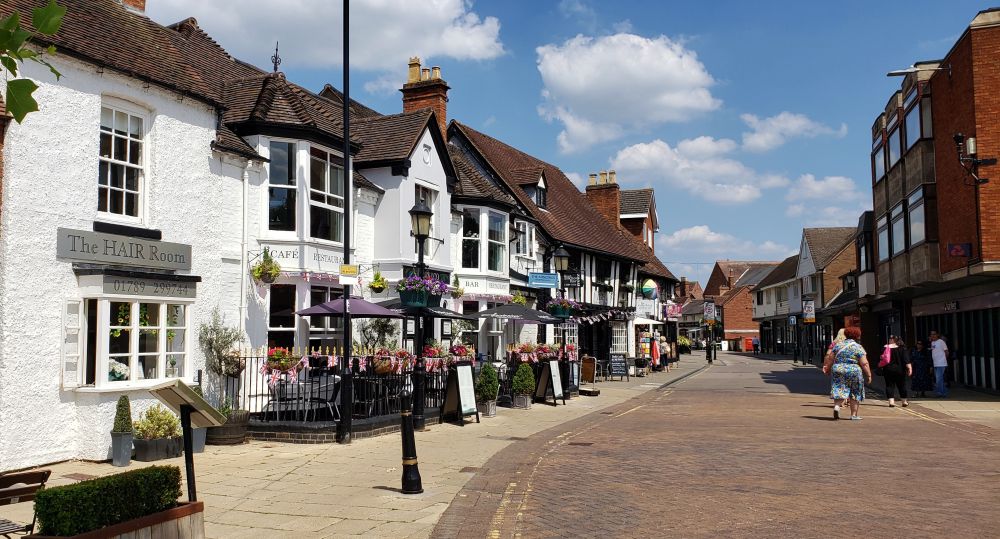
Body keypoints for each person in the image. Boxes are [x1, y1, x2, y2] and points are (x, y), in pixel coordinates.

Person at [822, 326, 872, 420]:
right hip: (853, 370)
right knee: (855, 392)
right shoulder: (858, 347)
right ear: (857, 336)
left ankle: (837, 406)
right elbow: (864, 363)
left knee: (839, 388)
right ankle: (853, 415)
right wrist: (868, 375)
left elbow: (831, 358)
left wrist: (827, 368)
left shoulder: (838, 345)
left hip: (838, 369)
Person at [880, 335, 912, 407]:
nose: (889, 339)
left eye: (890, 338)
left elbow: (881, 358)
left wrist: (881, 367)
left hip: (888, 369)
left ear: (893, 340)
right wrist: (910, 368)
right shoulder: (902, 348)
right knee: (902, 385)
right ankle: (904, 401)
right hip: (900, 370)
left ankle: (891, 402)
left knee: (889, 385)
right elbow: (906, 359)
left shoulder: (885, 347)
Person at [929, 330, 949, 398]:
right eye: (931, 334)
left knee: (938, 379)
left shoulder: (941, 341)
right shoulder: (932, 342)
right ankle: (944, 393)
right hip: (935, 363)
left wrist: (944, 360)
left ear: (937, 335)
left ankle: (940, 393)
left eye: (934, 334)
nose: (933, 335)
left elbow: (946, 351)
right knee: (939, 379)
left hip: (941, 363)